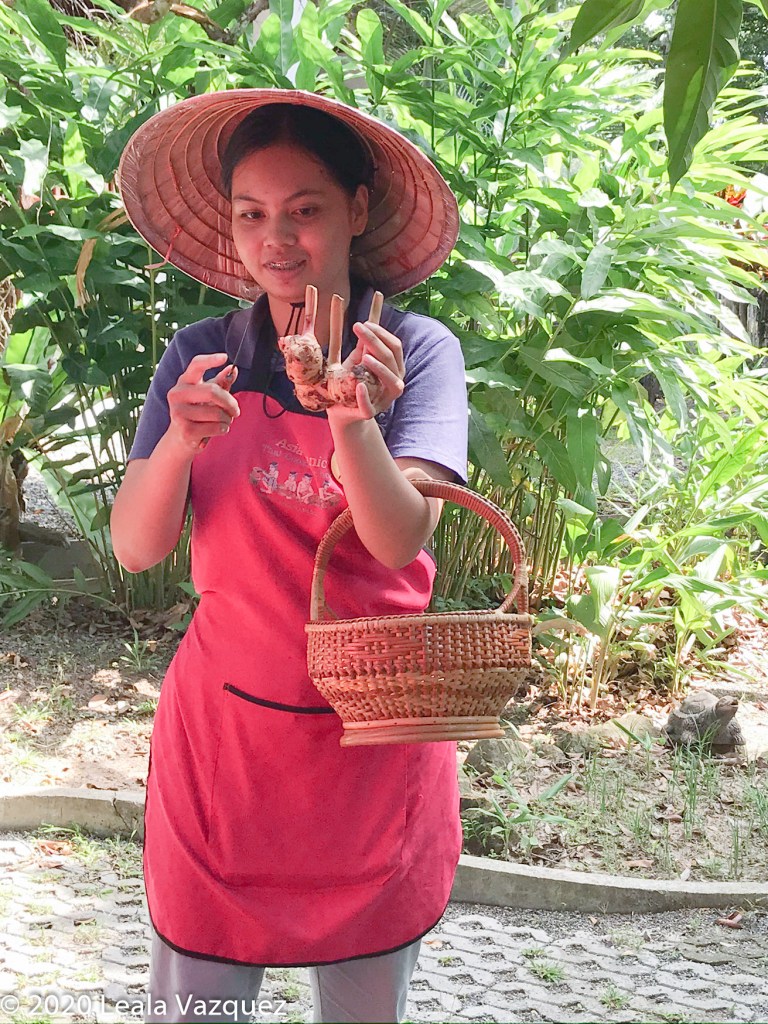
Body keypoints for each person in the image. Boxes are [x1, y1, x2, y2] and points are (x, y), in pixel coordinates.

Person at [112, 89, 468, 1024]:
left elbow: (398, 539)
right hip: (227, 747)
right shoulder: (201, 357)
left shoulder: (415, 354)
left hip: (373, 748)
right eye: (251, 214)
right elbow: (137, 547)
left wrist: (353, 420)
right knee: (200, 1008)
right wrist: (178, 443)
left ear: (357, 208)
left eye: (304, 209)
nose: (276, 239)